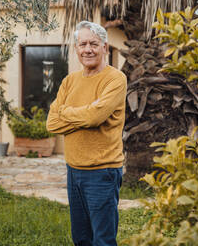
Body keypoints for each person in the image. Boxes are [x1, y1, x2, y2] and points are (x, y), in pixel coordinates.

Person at [47, 21, 127, 246]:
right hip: (74, 171)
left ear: (104, 47)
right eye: (82, 44)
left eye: (93, 43)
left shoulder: (115, 79)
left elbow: (95, 117)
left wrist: (66, 112)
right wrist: (86, 116)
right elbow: (52, 123)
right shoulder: (69, 80)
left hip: (102, 172)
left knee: (103, 239)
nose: (88, 49)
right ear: (76, 49)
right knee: (81, 238)